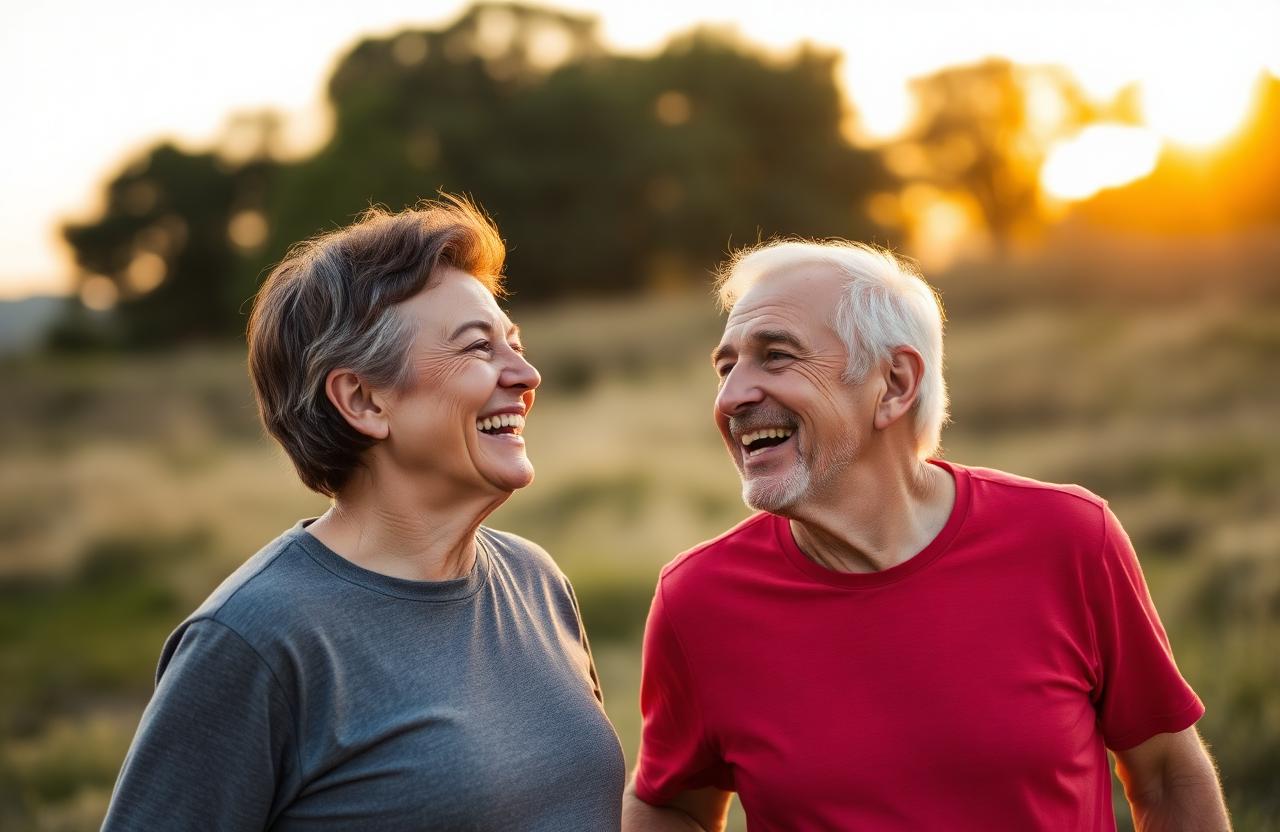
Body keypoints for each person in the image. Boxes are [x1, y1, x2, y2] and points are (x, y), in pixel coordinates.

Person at [622, 240, 1231, 831]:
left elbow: (1166, 776)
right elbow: (672, 807)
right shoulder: (699, 600)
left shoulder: (1069, 538)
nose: (731, 397)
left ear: (893, 384)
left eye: (776, 355)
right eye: (726, 367)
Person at [103, 196, 625, 830]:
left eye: (514, 343)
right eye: (478, 348)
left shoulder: (535, 580)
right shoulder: (254, 641)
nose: (525, 373)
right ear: (363, 400)